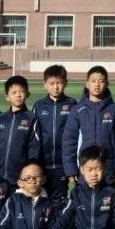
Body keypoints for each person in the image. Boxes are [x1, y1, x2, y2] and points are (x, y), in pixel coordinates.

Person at [62, 66, 115, 192]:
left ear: (107, 84)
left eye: (101, 81)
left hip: (108, 169)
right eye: (93, 81)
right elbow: (69, 141)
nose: (97, 84)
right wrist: (71, 168)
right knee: (84, 201)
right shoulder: (77, 110)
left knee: (107, 202)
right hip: (84, 170)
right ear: (87, 84)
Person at [33, 64, 77, 203]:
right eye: (52, 83)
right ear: (45, 84)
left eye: (59, 83)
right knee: (41, 199)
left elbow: (76, 134)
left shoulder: (72, 104)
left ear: (65, 83)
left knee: (59, 200)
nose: (56, 87)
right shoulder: (38, 105)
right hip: (43, 163)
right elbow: (34, 135)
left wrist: (72, 165)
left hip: (63, 164)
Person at [0, 75, 40, 185]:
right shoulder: (0, 119)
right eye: (14, 92)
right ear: (7, 97)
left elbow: (34, 148)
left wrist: (29, 173)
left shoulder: (32, 118)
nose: (18, 95)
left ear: (27, 94)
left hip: (20, 179)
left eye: (21, 92)